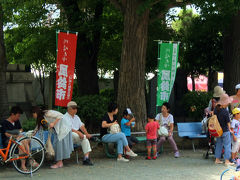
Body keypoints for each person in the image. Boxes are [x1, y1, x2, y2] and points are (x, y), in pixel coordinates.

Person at [1, 106, 32, 171]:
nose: (18, 118)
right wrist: (16, 136)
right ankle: (27, 161)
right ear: (12, 114)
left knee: (24, 140)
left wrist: (19, 134)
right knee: (21, 142)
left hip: (17, 140)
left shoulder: (16, 121)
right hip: (8, 141)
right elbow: (6, 134)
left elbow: (21, 129)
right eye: (17, 116)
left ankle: (28, 159)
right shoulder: (4, 122)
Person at [65, 101, 93, 166]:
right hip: (68, 136)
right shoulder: (64, 117)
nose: (75, 110)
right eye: (74, 108)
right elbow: (69, 129)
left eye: (76, 108)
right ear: (69, 109)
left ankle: (86, 158)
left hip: (77, 137)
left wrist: (86, 133)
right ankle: (86, 137)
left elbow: (82, 126)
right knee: (75, 135)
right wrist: (79, 133)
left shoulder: (76, 117)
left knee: (85, 140)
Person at [214, 93, 234, 165]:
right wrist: (230, 130)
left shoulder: (216, 110)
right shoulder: (225, 111)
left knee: (218, 145)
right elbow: (228, 122)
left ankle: (217, 159)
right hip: (225, 131)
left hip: (218, 131)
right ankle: (227, 161)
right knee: (227, 145)